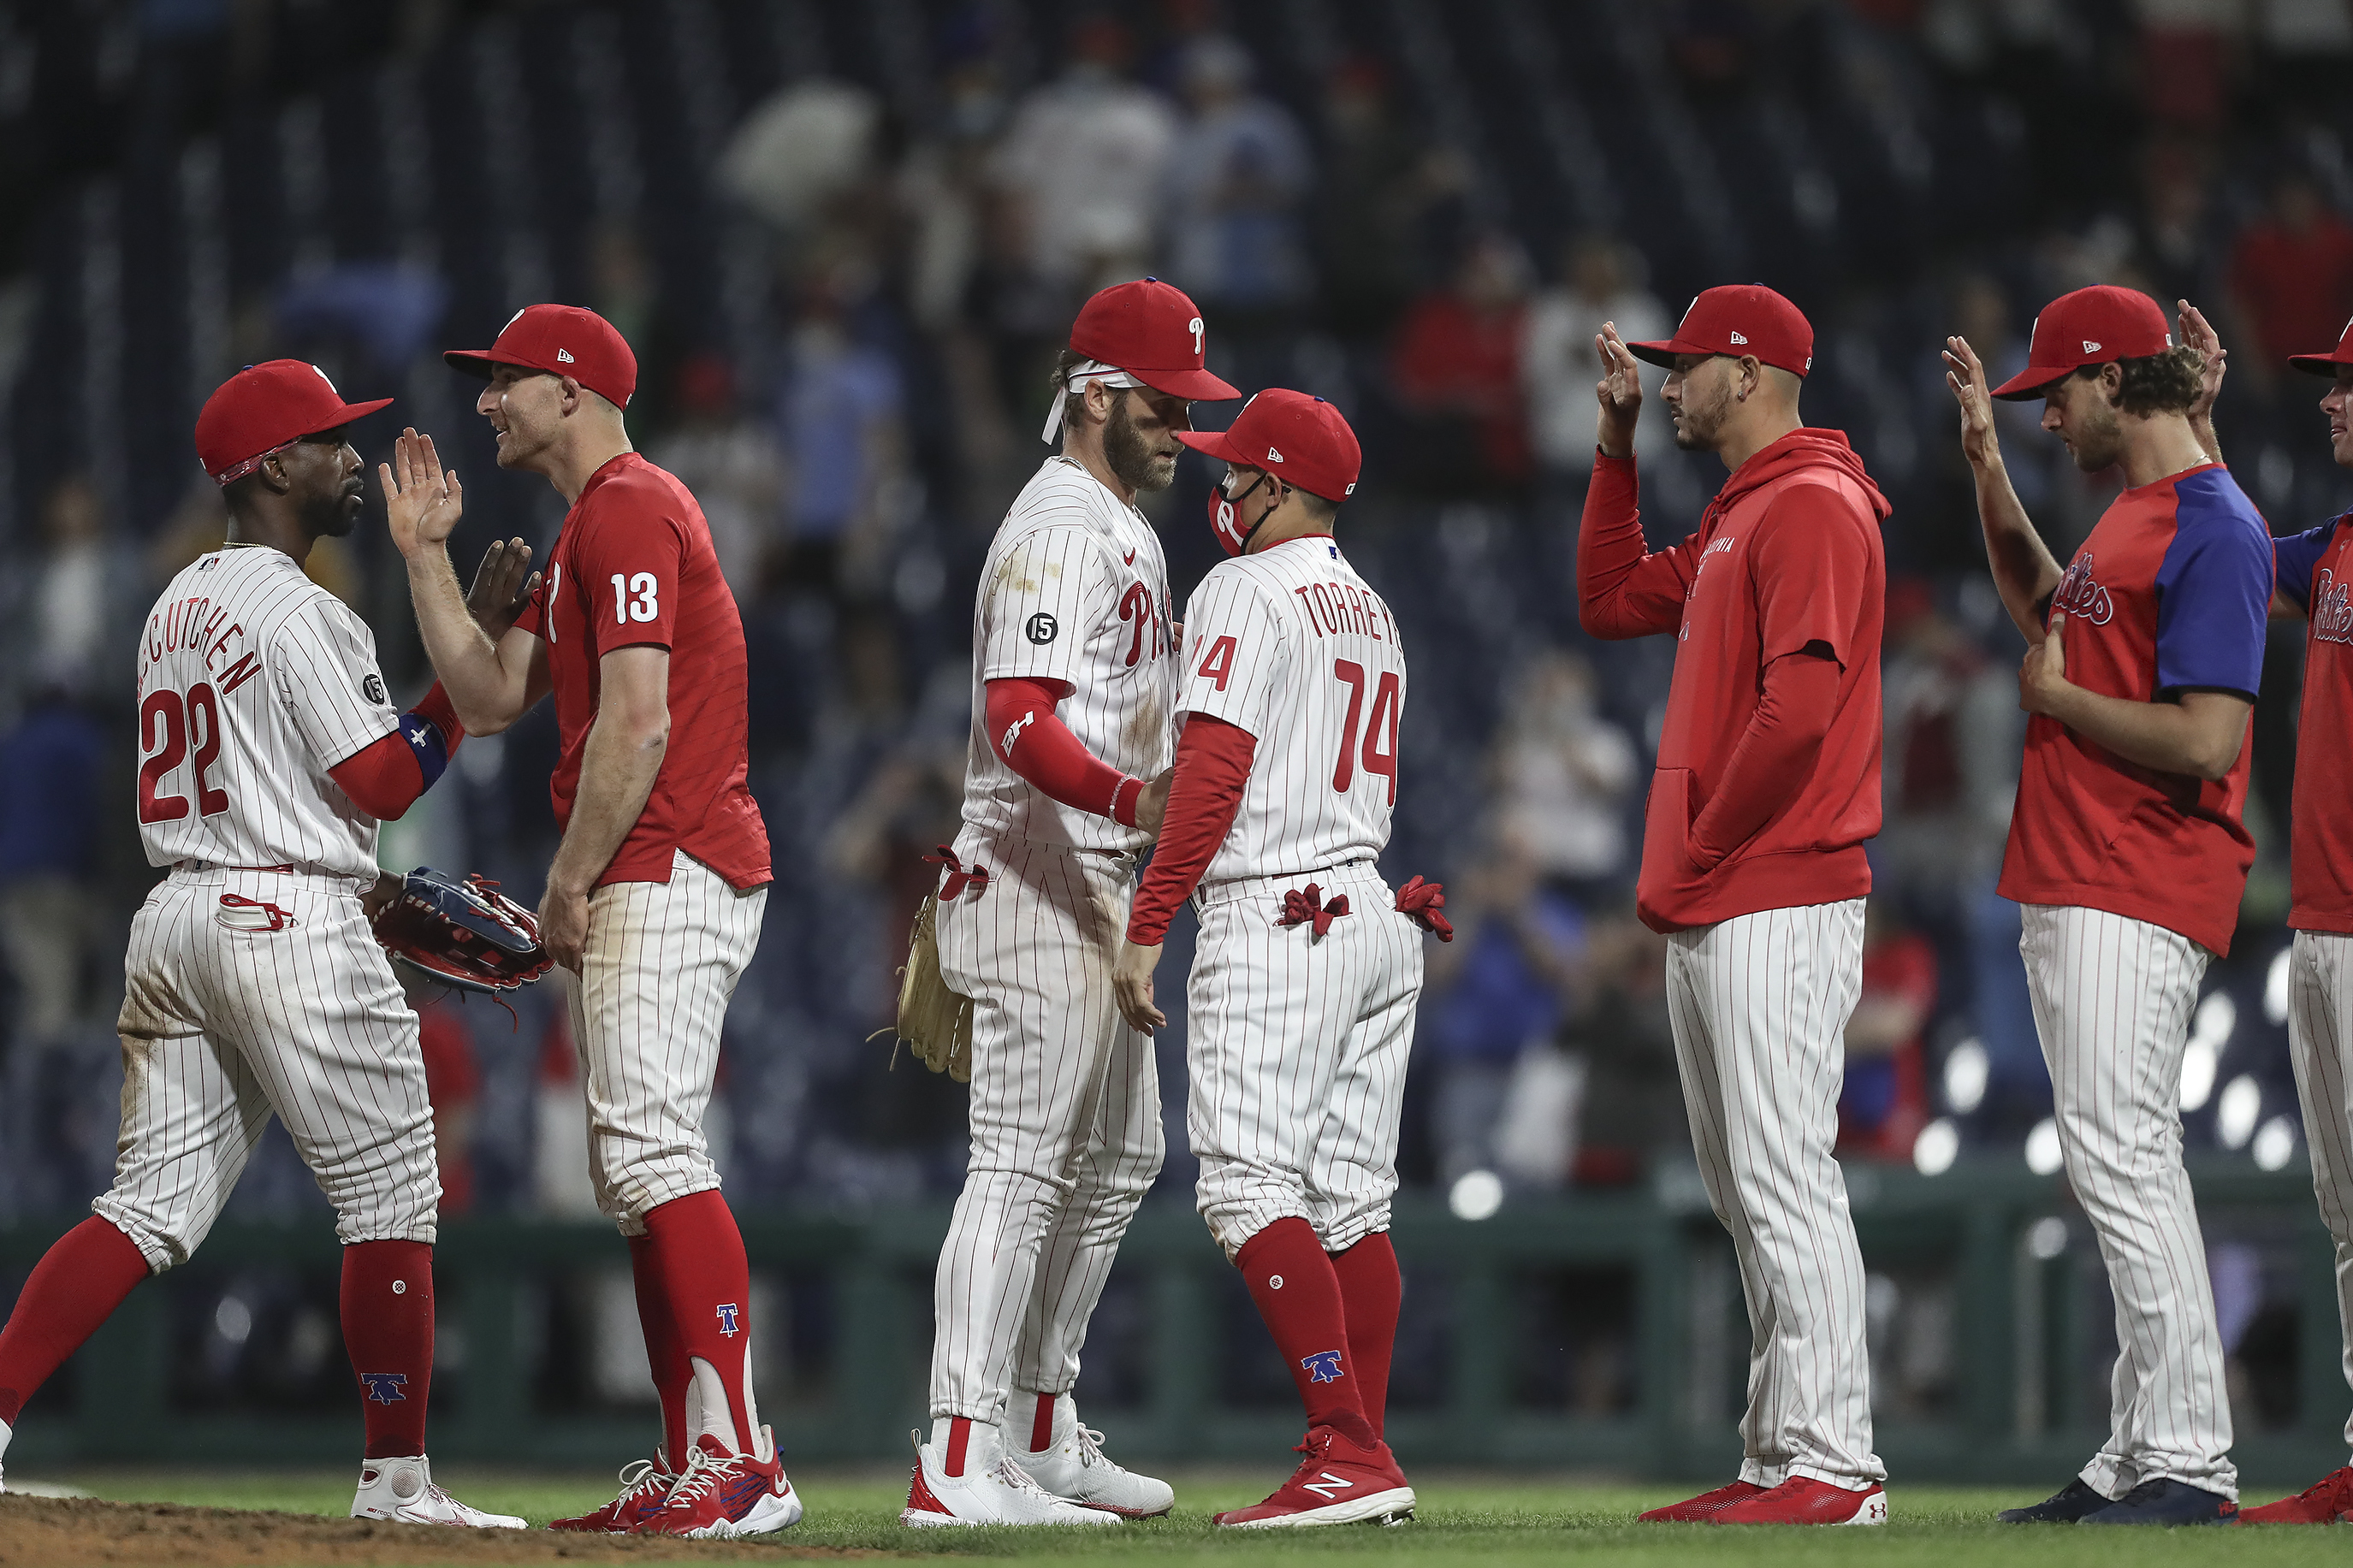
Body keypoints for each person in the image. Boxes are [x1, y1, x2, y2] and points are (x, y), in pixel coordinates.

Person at [0, 362, 525, 1528]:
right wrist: (466, 659)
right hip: (285, 917)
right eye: (333, 442)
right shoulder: (304, 608)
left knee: (144, 1206)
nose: (354, 460)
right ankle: (397, 1478)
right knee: (391, 1189)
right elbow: (384, 779)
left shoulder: (173, 604)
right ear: (273, 468)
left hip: (178, 915)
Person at [382, 304, 798, 1540]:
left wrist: (566, 881)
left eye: (503, 380)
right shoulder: (588, 527)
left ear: (570, 389)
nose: (485, 402)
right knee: (633, 1170)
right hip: (654, 862)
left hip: (664, 861)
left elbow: (638, 725)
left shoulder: (628, 504)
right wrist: (423, 559)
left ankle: (736, 1460)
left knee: (657, 1153)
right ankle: (690, 1458)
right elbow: (491, 695)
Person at [900, 278, 1236, 1528]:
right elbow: (1016, 716)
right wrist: (1128, 795)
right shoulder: (1053, 526)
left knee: (1123, 1156)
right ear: (1093, 393)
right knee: (1020, 1168)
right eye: (1162, 403)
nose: (1181, 427)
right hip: (1035, 873)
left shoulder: (1124, 526)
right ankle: (955, 1451)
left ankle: (1036, 1426)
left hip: (1091, 883)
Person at [1947, 284, 2269, 1526]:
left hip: (2136, 876)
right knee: (2107, 1163)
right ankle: (2137, 1450)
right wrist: (1984, 470)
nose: (2045, 416)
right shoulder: (2135, 514)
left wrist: (2063, 707)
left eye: (2055, 392)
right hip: (2083, 870)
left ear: (2114, 381)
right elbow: (2046, 616)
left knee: (2126, 1158)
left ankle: (2188, 1455)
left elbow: (2204, 737)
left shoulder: (2213, 526)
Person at [1582, 286, 1893, 1526]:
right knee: (1743, 1183)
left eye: (1685, 365)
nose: (1667, 383)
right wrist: (1613, 445)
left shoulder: (1810, 502)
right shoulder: (1742, 509)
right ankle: (1779, 1452)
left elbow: (1800, 711)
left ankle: (1833, 1460)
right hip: (1729, 890)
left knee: (1782, 1176)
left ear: (1750, 372)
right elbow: (1606, 601)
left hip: (1777, 883)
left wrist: (1699, 850)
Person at [1114, 388, 1438, 1529]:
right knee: (1351, 1204)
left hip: (1277, 910)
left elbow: (1210, 772)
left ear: (1280, 485)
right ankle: (1366, 1454)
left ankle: (1343, 1446)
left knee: (1249, 1183)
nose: (1223, 488)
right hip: (1370, 907)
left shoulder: (1242, 588)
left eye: (1238, 472)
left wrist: (1147, 922)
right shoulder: (1373, 607)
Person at [2198, 306, 2353, 1522]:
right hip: (2318, 915)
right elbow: (2241, 550)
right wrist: (2198, 426)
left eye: (2349, 384)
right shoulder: (2340, 541)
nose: (2331, 401)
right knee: (2343, 1212)